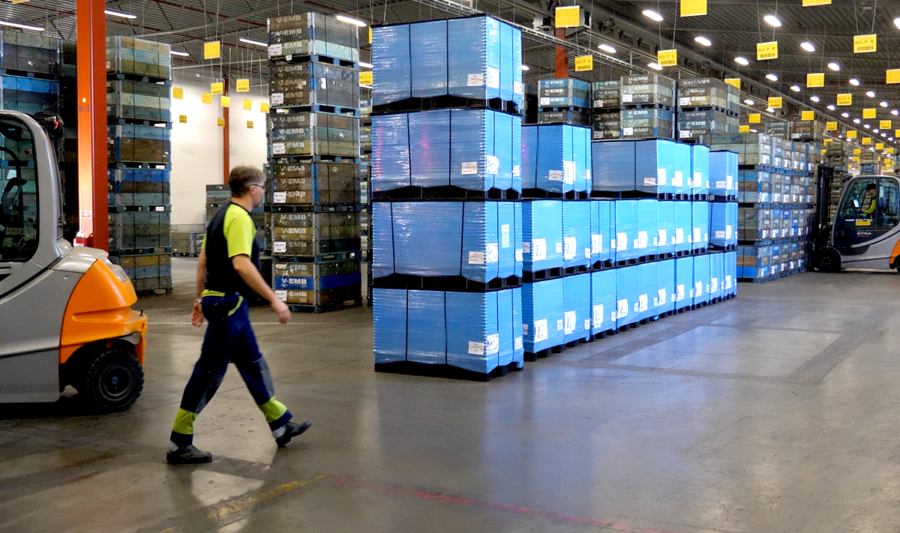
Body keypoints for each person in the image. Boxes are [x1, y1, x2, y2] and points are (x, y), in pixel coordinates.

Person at [166, 166, 310, 465]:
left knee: (253, 363)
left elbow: (204, 259)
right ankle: (180, 441)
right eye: (263, 187)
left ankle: (280, 425)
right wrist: (275, 300)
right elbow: (242, 265)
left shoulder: (220, 215)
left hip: (228, 304)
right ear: (252, 188)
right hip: (228, 306)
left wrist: (199, 296)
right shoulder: (240, 219)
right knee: (208, 373)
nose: (264, 192)